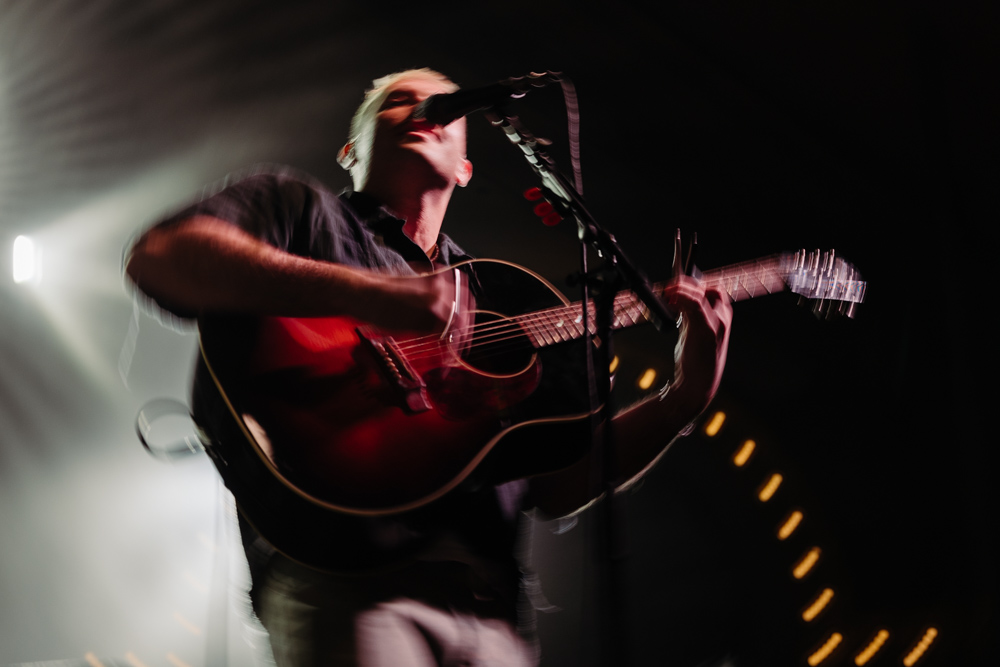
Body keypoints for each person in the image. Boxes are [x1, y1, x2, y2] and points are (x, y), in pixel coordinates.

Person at [125, 68, 732, 666]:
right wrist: (375, 297)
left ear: (466, 169)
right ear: (349, 151)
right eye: (399, 101)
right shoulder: (300, 213)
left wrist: (684, 399)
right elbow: (161, 259)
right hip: (348, 585)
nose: (423, 111)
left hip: (493, 613)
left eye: (443, 106)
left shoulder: (495, 295)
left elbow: (555, 486)